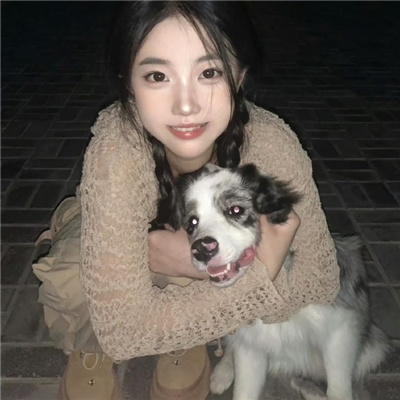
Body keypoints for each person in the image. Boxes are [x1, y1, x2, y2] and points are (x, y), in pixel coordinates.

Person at [32, 2, 340, 400]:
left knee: (199, 261)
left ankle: (187, 333)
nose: (186, 105)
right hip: (132, 235)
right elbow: (123, 331)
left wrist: (198, 269)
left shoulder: (271, 146)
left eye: (209, 72)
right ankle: (88, 342)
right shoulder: (116, 148)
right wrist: (265, 271)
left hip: (199, 259)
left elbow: (321, 283)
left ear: (239, 76)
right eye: (158, 76)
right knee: (77, 271)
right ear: (129, 84)